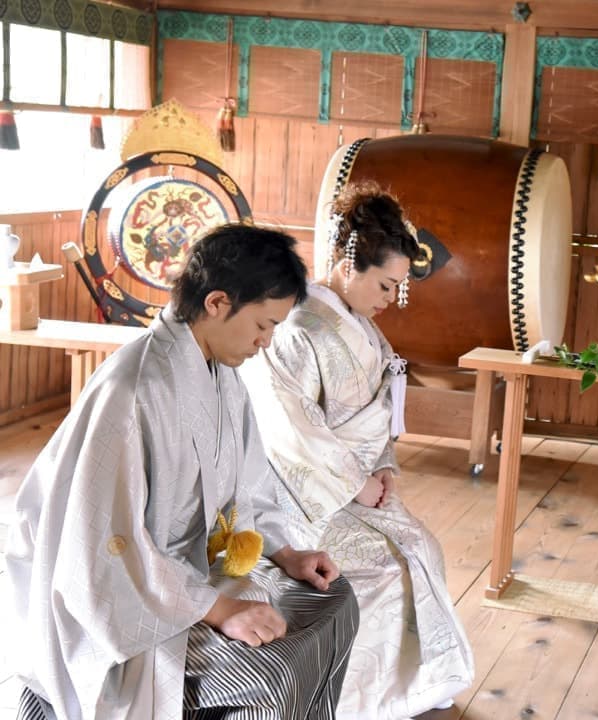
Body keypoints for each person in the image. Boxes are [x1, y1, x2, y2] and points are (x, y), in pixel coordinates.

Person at [5, 225, 360, 720]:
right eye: (263, 324)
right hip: (126, 596)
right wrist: (216, 609)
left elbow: (249, 484)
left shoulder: (223, 373)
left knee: (337, 603)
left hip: (189, 570)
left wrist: (286, 551)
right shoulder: (134, 392)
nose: (266, 341)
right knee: (270, 675)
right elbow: (105, 544)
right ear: (217, 302)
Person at [239, 181, 475, 720]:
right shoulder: (297, 326)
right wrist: (356, 482)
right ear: (350, 265)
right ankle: (350, 700)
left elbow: (380, 411)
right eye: (387, 285)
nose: (390, 300)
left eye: (397, 288)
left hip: (354, 482)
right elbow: (289, 426)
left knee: (422, 546)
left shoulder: (362, 326)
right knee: (383, 564)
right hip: (299, 492)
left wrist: (384, 466)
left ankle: (412, 685)